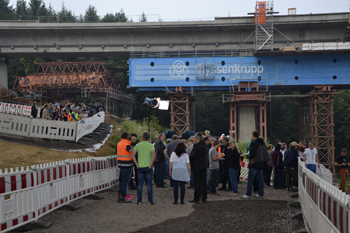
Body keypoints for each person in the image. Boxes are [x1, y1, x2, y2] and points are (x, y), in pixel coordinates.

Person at [241, 130, 267, 199]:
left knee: (250, 179)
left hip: (254, 163)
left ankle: (248, 194)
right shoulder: (263, 143)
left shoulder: (254, 143)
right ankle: (261, 193)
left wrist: (247, 156)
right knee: (260, 179)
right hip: (262, 163)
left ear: (253, 135)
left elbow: (252, 154)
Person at [132, 131, 156, 205]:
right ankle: (150, 200)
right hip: (148, 167)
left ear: (142, 137)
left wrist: (136, 164)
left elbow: (132, 154)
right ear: (148, 138)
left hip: (140, 167)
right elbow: (154, 155)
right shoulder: (151, 145)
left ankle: (139, 200)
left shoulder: (138, 145)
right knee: (149, 184)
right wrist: (151, 164)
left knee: (140, 184)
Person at [189, 132, 208, 204]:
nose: (193, 138)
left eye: (194, 137)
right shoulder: (204, 144)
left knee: (197, 182)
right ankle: (204, 197)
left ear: (197, 138)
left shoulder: (196, 145)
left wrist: (188, 158)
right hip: (203, 165)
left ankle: (196, 198)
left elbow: (193, 155)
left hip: (197, 166)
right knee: (204, 182)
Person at [116, 132, 134, 203]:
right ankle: (122, 196)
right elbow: (131, 152)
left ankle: (120, 195)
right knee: (125, 181)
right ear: (127, 137)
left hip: (121, 163)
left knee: (122, 180)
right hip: (127, 164)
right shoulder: (127, 144)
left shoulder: (119, 143)